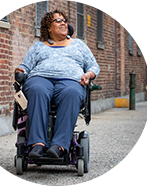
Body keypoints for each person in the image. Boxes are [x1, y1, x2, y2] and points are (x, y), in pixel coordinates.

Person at [14, 10, 100, 158]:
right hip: (40, 78)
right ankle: (37, 144)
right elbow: (25, 67)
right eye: (58, 21)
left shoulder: (79, 45)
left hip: (70, 81)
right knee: (37, 89)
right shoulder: (38, 46)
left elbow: (94, 66)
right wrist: (21, 70)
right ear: (48, 27)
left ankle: (59, 145)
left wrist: (88, 75)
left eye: (64, 20)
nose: (63, 23)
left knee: (72, 92)